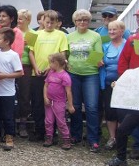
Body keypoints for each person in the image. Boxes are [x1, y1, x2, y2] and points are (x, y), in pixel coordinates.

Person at [29, 10, 69, 142]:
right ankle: (40, 130)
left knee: (54, 103)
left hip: (54, 74)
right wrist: (35, 67)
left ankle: (53, 132)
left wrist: (50, 67)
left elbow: (63, 54)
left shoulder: (61, 35)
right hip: (37, 72)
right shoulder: (34, 34)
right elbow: (31, 52)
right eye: (47, 22)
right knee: (37, 102)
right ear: (42, 21)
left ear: (57, 23)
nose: (49, 24)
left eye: (52, 22)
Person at [67, 9, 103, 151]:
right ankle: (76, 134)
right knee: (74, 105)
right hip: (73, 73)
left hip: (90, 74)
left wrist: (99, 60)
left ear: (89, 22)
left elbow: (98, 54)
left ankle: (93, 138)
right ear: (75, 22)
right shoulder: (69, 36)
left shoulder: (95, 36)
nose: (82, 22)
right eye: (79, 20)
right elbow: (66, 53)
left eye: (85, 20)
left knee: (91, 107)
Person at [0, 28, 23, 151]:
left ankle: (9, 137)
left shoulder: (13, 55)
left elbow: (19, 73)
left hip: (8, 92)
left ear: (7, 41)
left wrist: (5, 76)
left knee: (8, 116)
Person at [100, 19, 127, 149]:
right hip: (108, 83)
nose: (111, 32)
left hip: (124, 82)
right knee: (110, 111)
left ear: (122, 31)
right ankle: (112, 138)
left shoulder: (128, 45)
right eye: (110, 29)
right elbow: (100, 61)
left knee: (122, 111)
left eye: (114, 29)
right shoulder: (105, 46)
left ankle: (122, 137)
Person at [43, 52, 74, 149]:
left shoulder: (65, 76)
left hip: (59, 102)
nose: (50, 65)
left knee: (61, 121)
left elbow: (68, 92)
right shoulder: (51, 73)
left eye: (51, 63)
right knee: (48, 120)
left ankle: (66, 138)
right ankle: (49, 137)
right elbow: (46, 85)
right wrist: (45, 97)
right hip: (49, 101)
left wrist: (70, 105)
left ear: (56, 63)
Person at [16, 9, 33, 138]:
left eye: (21, 18)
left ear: (28, 20)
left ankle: (23, 123)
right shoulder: (13, 32)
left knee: (25, 94)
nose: (18, 21)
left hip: (26, 65)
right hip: (11, 65)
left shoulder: (33, 33)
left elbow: (34, 52)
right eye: (17, 18)